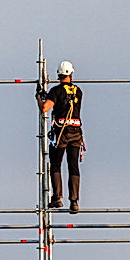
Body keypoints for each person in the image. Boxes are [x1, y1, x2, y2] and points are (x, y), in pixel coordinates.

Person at [39, 60, 84, 213]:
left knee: (56, 164)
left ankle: (57, 197)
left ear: (59, 75)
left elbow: (45, 108)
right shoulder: (78, 91)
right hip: (76, 132)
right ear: (71, 74)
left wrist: (39, 97)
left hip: (61, 134)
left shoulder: (56, 91)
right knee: (73, 166)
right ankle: (74, 201)